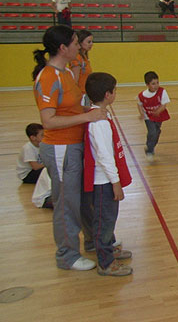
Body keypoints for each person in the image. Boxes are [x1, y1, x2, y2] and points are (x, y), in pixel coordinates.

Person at [32, 25, 107, 271]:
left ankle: (91, 242)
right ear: (63, 48)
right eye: (75, 42)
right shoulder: (48, 78)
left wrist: (89, 111)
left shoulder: (66, 73)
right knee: (67, 203)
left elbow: (71, 108)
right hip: (60, 148)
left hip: (75, 145)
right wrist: (87, 118)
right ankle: (67, 255)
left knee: (83, 199)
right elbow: (49, 121)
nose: (79, 46)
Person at [84, 72, 133, 276]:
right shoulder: (99, 123)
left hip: (106, 180)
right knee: (104, 221)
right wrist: (115, 182)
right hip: (104, 181)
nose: (115, 93)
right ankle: (105, 262)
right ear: (108, 94)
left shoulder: (101, 114)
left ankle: (109, 248)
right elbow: (104, 156)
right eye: (114, 90)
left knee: (108, 220)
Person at [137, 71, 170, 162]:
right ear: (147, 84)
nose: (156, 85)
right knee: (152, 132)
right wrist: (142, 113)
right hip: (148, 117)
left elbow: (164, 105)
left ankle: (150, 146)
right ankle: (149, 150)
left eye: (157, 83)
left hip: (159, 116)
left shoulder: (162, 91)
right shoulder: (142, 95)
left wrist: (158, 111)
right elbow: (139, 104)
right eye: (153, 84)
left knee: (156, 132)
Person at [69, 29, 93, 96]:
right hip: (80, 95)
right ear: (80, 42)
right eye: (89, 42)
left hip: (85, 93)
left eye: (92, 41)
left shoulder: (84, 57)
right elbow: (74, 81)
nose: (91, 44)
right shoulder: (77, 58)